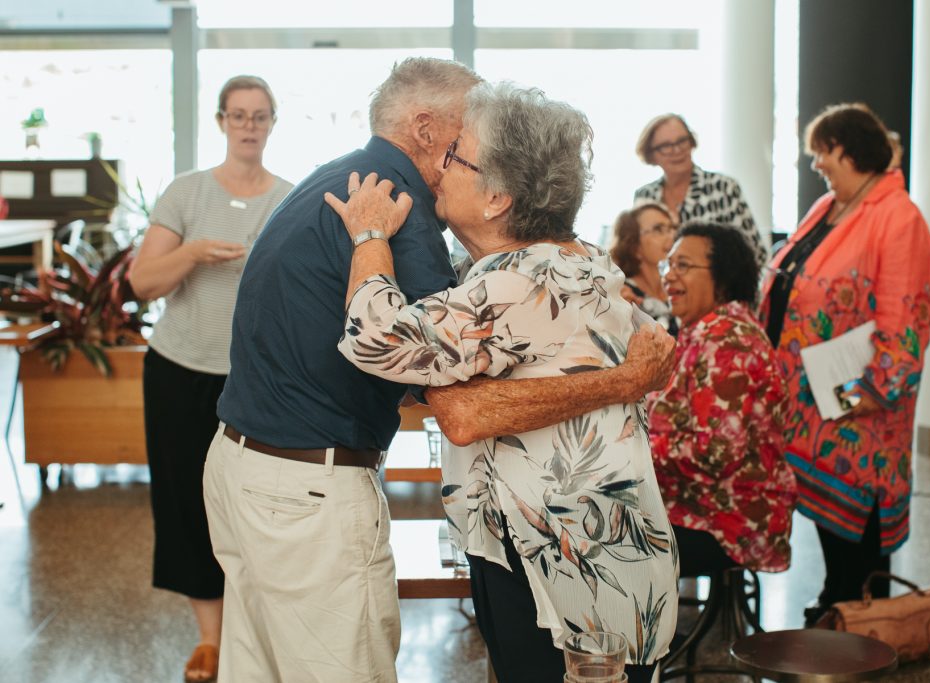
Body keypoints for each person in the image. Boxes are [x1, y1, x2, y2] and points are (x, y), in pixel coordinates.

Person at [203, 60, 676, 683]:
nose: (450, 164)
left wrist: (372, 234)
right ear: (425, 130)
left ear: (500, 194)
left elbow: (439, 384)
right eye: (456, 143)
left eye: (465, 154)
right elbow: (457, 402)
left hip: (570, 556)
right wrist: (621, 380)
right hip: (313, 493)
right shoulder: (431, 221)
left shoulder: (360, 187)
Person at [130, 75, 293, 683]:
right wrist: (193, 253)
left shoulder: (288, 199)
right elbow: (143, 283)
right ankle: (210, 638)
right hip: (177, 373)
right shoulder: (186, 193)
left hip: (253, 383)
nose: (249, 125)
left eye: (260, 115)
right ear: (221, 121)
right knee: (185, 504)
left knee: (257, 507)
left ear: (272, 122)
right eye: (238, 115)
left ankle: (257, 631)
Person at [760, 103, 930, 625]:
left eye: (822, 152)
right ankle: (838, 611)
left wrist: (854, 399)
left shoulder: (899, 217)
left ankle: (858, 624)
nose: (816, 164)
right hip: (811, 405)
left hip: (857, 414)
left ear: (848, 149)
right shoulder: (831, 206)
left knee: (858, 533)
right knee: (832, 533)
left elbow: (906, 328)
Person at [646, 224, 796, 576]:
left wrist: (632, 449)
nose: (669, 277)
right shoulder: (707, 330)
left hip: (730, 522)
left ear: (723, 276)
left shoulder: (727, 341)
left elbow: (716, 452)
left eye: (683, 265)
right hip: (699, 502)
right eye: (667, 265)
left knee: (591, 539)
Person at [633, 113, 767, 268]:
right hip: (658, 289)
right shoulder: (645, 196)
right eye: (666, 146)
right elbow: (636, 255)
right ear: (652, 154)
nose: (676, 150)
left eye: (682, 141)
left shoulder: (722, 188)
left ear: (691, 142)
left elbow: (755, 253)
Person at [609, 201, 678, 335]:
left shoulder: (678, 286)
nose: (672, 236)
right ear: (634, 245)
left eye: (671, 228)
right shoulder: (622, 295)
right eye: (659, 229)